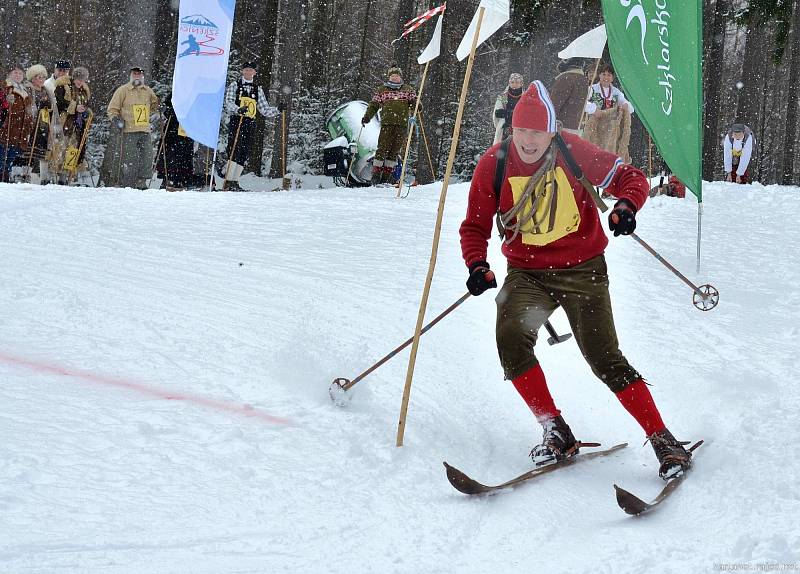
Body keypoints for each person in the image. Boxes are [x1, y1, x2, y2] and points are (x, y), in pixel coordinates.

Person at [459, 81, 693, 481]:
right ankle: (555, 428)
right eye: (521, 131)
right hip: (527, 272)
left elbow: (630, 178)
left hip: (582, 269)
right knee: (511, 339)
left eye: (537, 132)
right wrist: (477, 265)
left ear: (551, 131)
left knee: (605, 359)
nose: (529, 141)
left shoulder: (572, 150)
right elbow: (475, 226)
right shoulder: (493, 162)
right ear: (511, 129)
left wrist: (626, 206)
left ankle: (663, 439)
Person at [221, 62, 282, 191]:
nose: (248, 72)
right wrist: (238, 109)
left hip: (249, 122)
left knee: (244, 151)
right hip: (237, 120)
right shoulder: (235, 85)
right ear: (242, 71)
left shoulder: (257, 89)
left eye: (251, 70)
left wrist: (278, 109)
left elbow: (264, 109)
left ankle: (235, 181)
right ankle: (228, 180)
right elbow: (228, 102)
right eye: (246, 70)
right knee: (234, 149)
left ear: (254, 72)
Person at [101, 66, 160, 189]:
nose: (137, 75)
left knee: (147, 156)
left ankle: (141, 182)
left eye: (139, 73)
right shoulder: (123, 90)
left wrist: (159, 107)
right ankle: (124, 182)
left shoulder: (148, 91)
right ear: (131, 75)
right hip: (128, 129)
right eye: (135, 73)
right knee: (128, 158)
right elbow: (112, 109)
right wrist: (116, 120)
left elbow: (154, 105)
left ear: (142, 75)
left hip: (144, 129)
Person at [361, 66, 417, 185]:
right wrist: (367, 117)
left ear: (400, 77)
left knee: (394, 151)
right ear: (389, 77)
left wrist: (417, 105)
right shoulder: (383, 90)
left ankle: (386, 177)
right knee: (382, 149)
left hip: (401, 125)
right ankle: (375, 176)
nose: (394, 78)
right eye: (392, 76)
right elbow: (374, 105)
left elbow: (415, 104)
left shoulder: (408, 90)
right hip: (387, 124)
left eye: (396, 76)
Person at [584, 63, 633, 163]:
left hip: (610, 132)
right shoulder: (592, 89)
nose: (606, 77)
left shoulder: (616, 92)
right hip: (595, 129)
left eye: (609, 75)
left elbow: (630, 108)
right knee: (594, 154)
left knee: (609, 155)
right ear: (599, 75)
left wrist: (625, 106)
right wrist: (593, 109)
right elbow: (583, 103)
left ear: (612, 78)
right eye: (604, 74)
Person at [53, 66, 93, 185]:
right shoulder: (64, 87)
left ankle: (68, 174)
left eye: (83, 79)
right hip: (65, 122)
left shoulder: (84, 91)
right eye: (78, 79)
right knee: (62, 148)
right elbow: (60, 103)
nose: (80, 82)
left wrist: (86, 111)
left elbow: (86, 105)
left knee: (74, 150)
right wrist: (74, 107)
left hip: (79, 125)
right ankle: (59, 175)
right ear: (74, 78)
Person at [24, 64, 62, 184]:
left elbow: (53, 107)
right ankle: (27, 175)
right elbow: (28, 107)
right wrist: (39, 106)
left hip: (44, 125)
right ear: (32, 78)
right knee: (30, 150)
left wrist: (48, 106)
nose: (41, 79)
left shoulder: (47, 90)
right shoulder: (29, 89)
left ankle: (39, 176)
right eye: (38, 77)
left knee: (41, 150)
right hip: (33, 124)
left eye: (42, 77)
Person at [156, 93, 197, 189]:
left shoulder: (194, 93)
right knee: (170, 154)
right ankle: (167, 178)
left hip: (186, 127)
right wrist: (169, 110)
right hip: (172, 127)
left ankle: (181, 179)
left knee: (185, 154)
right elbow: (166, 108)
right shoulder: (176, 91)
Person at [1, 66, 34, 183]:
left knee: (11, 156)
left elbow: (29, 111)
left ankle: (6, 176)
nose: (18, 75)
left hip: (20, 131)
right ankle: (2, 176)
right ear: (10, 74)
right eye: (15, 73)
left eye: (20, 73)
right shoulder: (5, 86)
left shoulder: (25, 91)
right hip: (7, 127)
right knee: (2, 154)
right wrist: (6, 100)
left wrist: (29, 124)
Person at [549, 59, 588, 135]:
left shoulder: (566, 78)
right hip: (575, 125)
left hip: (561, 125)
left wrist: (547, 119)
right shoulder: (583, 79)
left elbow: (554, 104)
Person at [492, 72, 524, 144]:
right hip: (504, 129)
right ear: (509, 83)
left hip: (520, 130)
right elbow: (497, 113)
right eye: (512, 82)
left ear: (521, 83)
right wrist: (513, 113)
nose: (514, 84)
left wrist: (508, 113)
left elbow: (526, 114)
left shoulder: (525, 97)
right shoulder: (503, 96)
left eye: (517, 82)